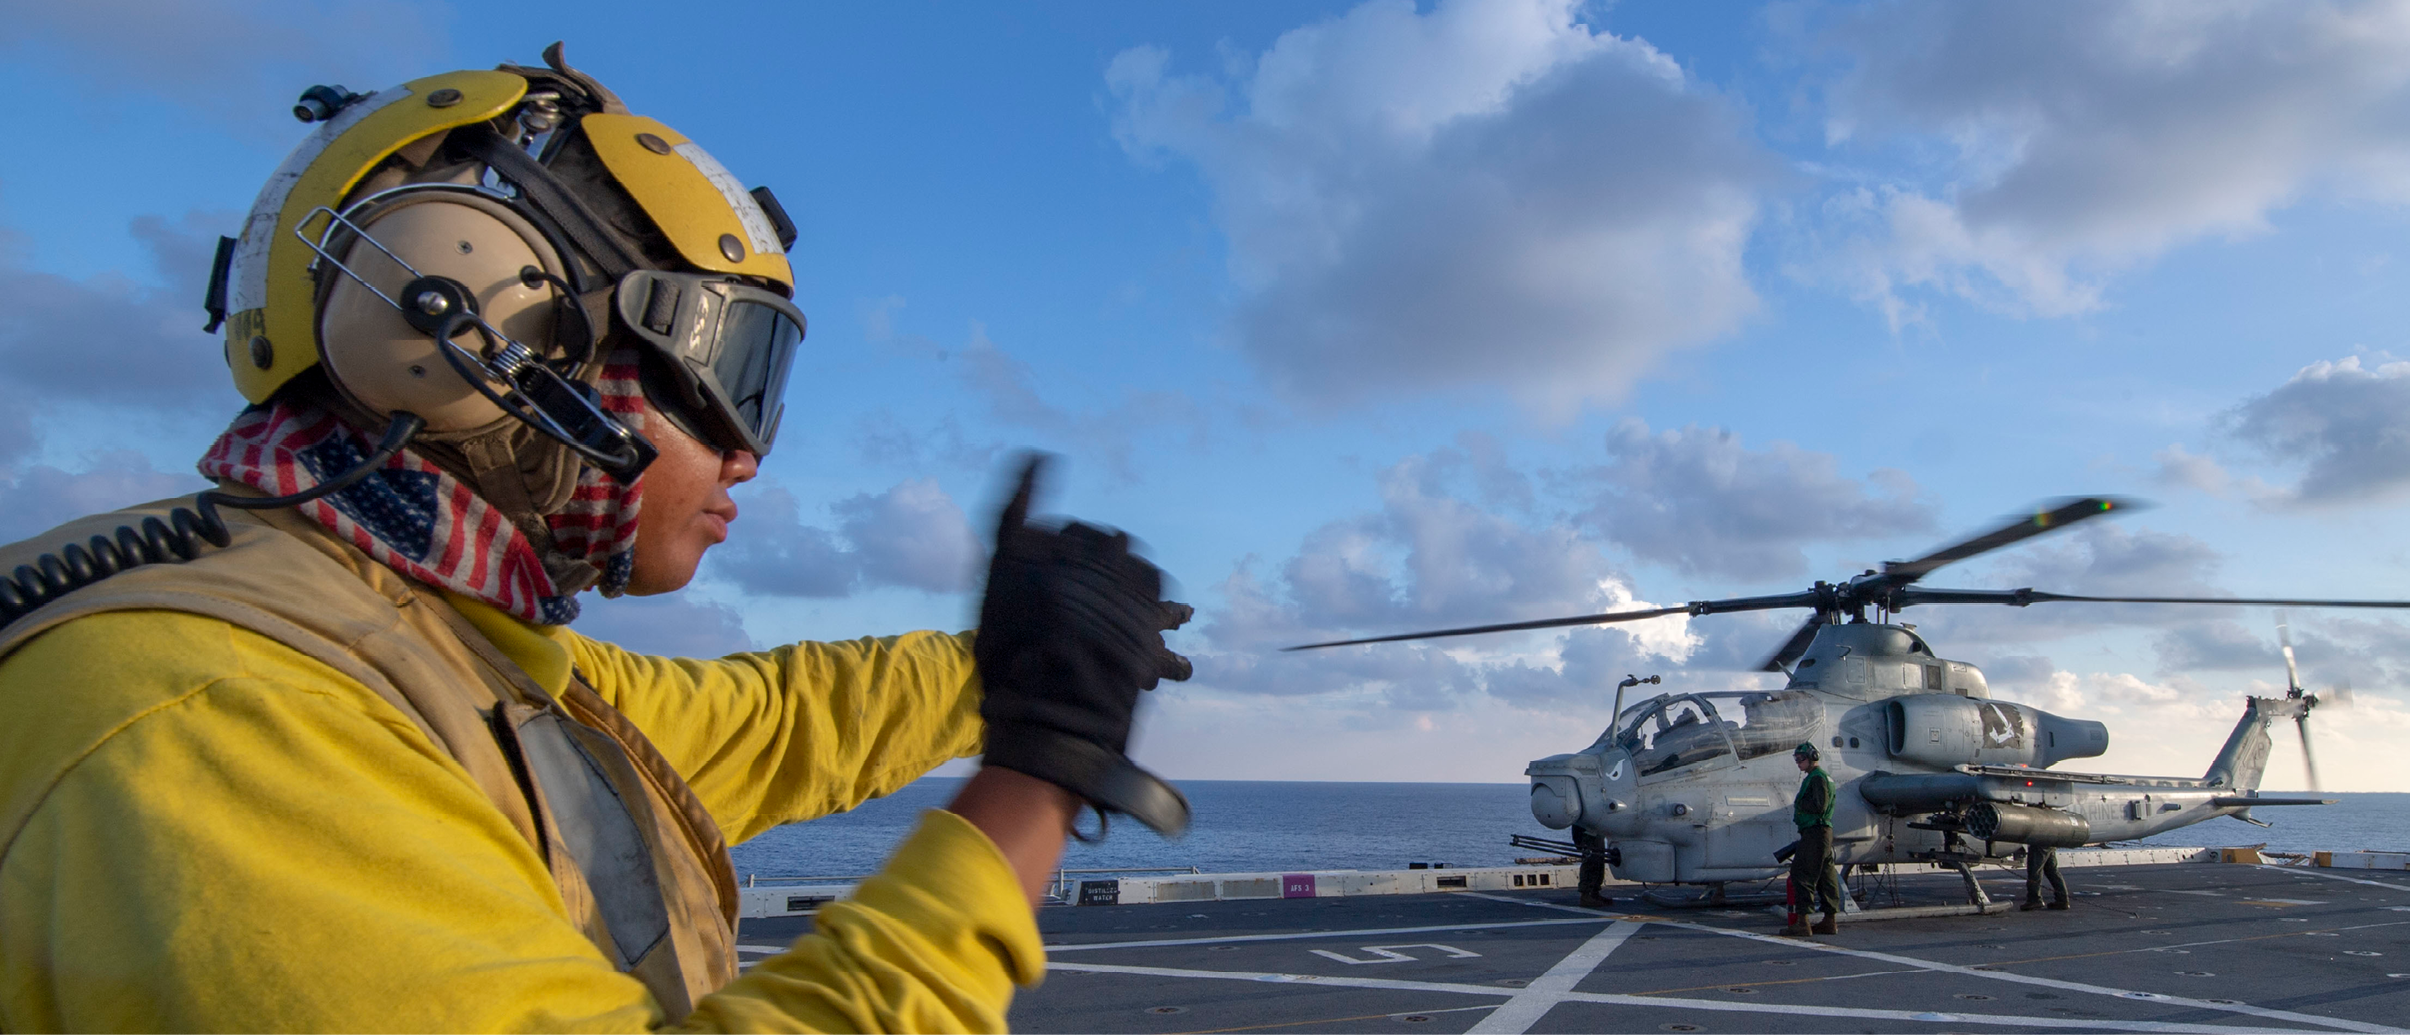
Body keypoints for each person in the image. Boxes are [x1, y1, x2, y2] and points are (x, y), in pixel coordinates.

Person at [0, 47, 1187, 1034]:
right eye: (724, 374)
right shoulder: (221, 722)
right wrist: (1039, 775)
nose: (746, 454)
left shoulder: (416, 650)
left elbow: (769, 724)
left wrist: (1010, 658)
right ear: (463, 329)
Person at [1782, 742, 1842, 937]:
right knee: (1826, 876)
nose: (1798, 763)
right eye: (1796, 759)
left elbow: (1819, 805)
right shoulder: (1821, 778)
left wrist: (1799, 805)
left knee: (1801, 873)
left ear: (1812, 757)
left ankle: (1802, 922)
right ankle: (1829, 921)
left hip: (1815, 831)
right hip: (1821, 832)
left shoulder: (1817, 779)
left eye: (1801, 759)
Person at [2021, 844, 2071, 911]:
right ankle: (2062, 899)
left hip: (2039, 842)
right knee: (2052, 871)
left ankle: (2034, 899)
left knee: (2034, 871)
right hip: (2049, 841)